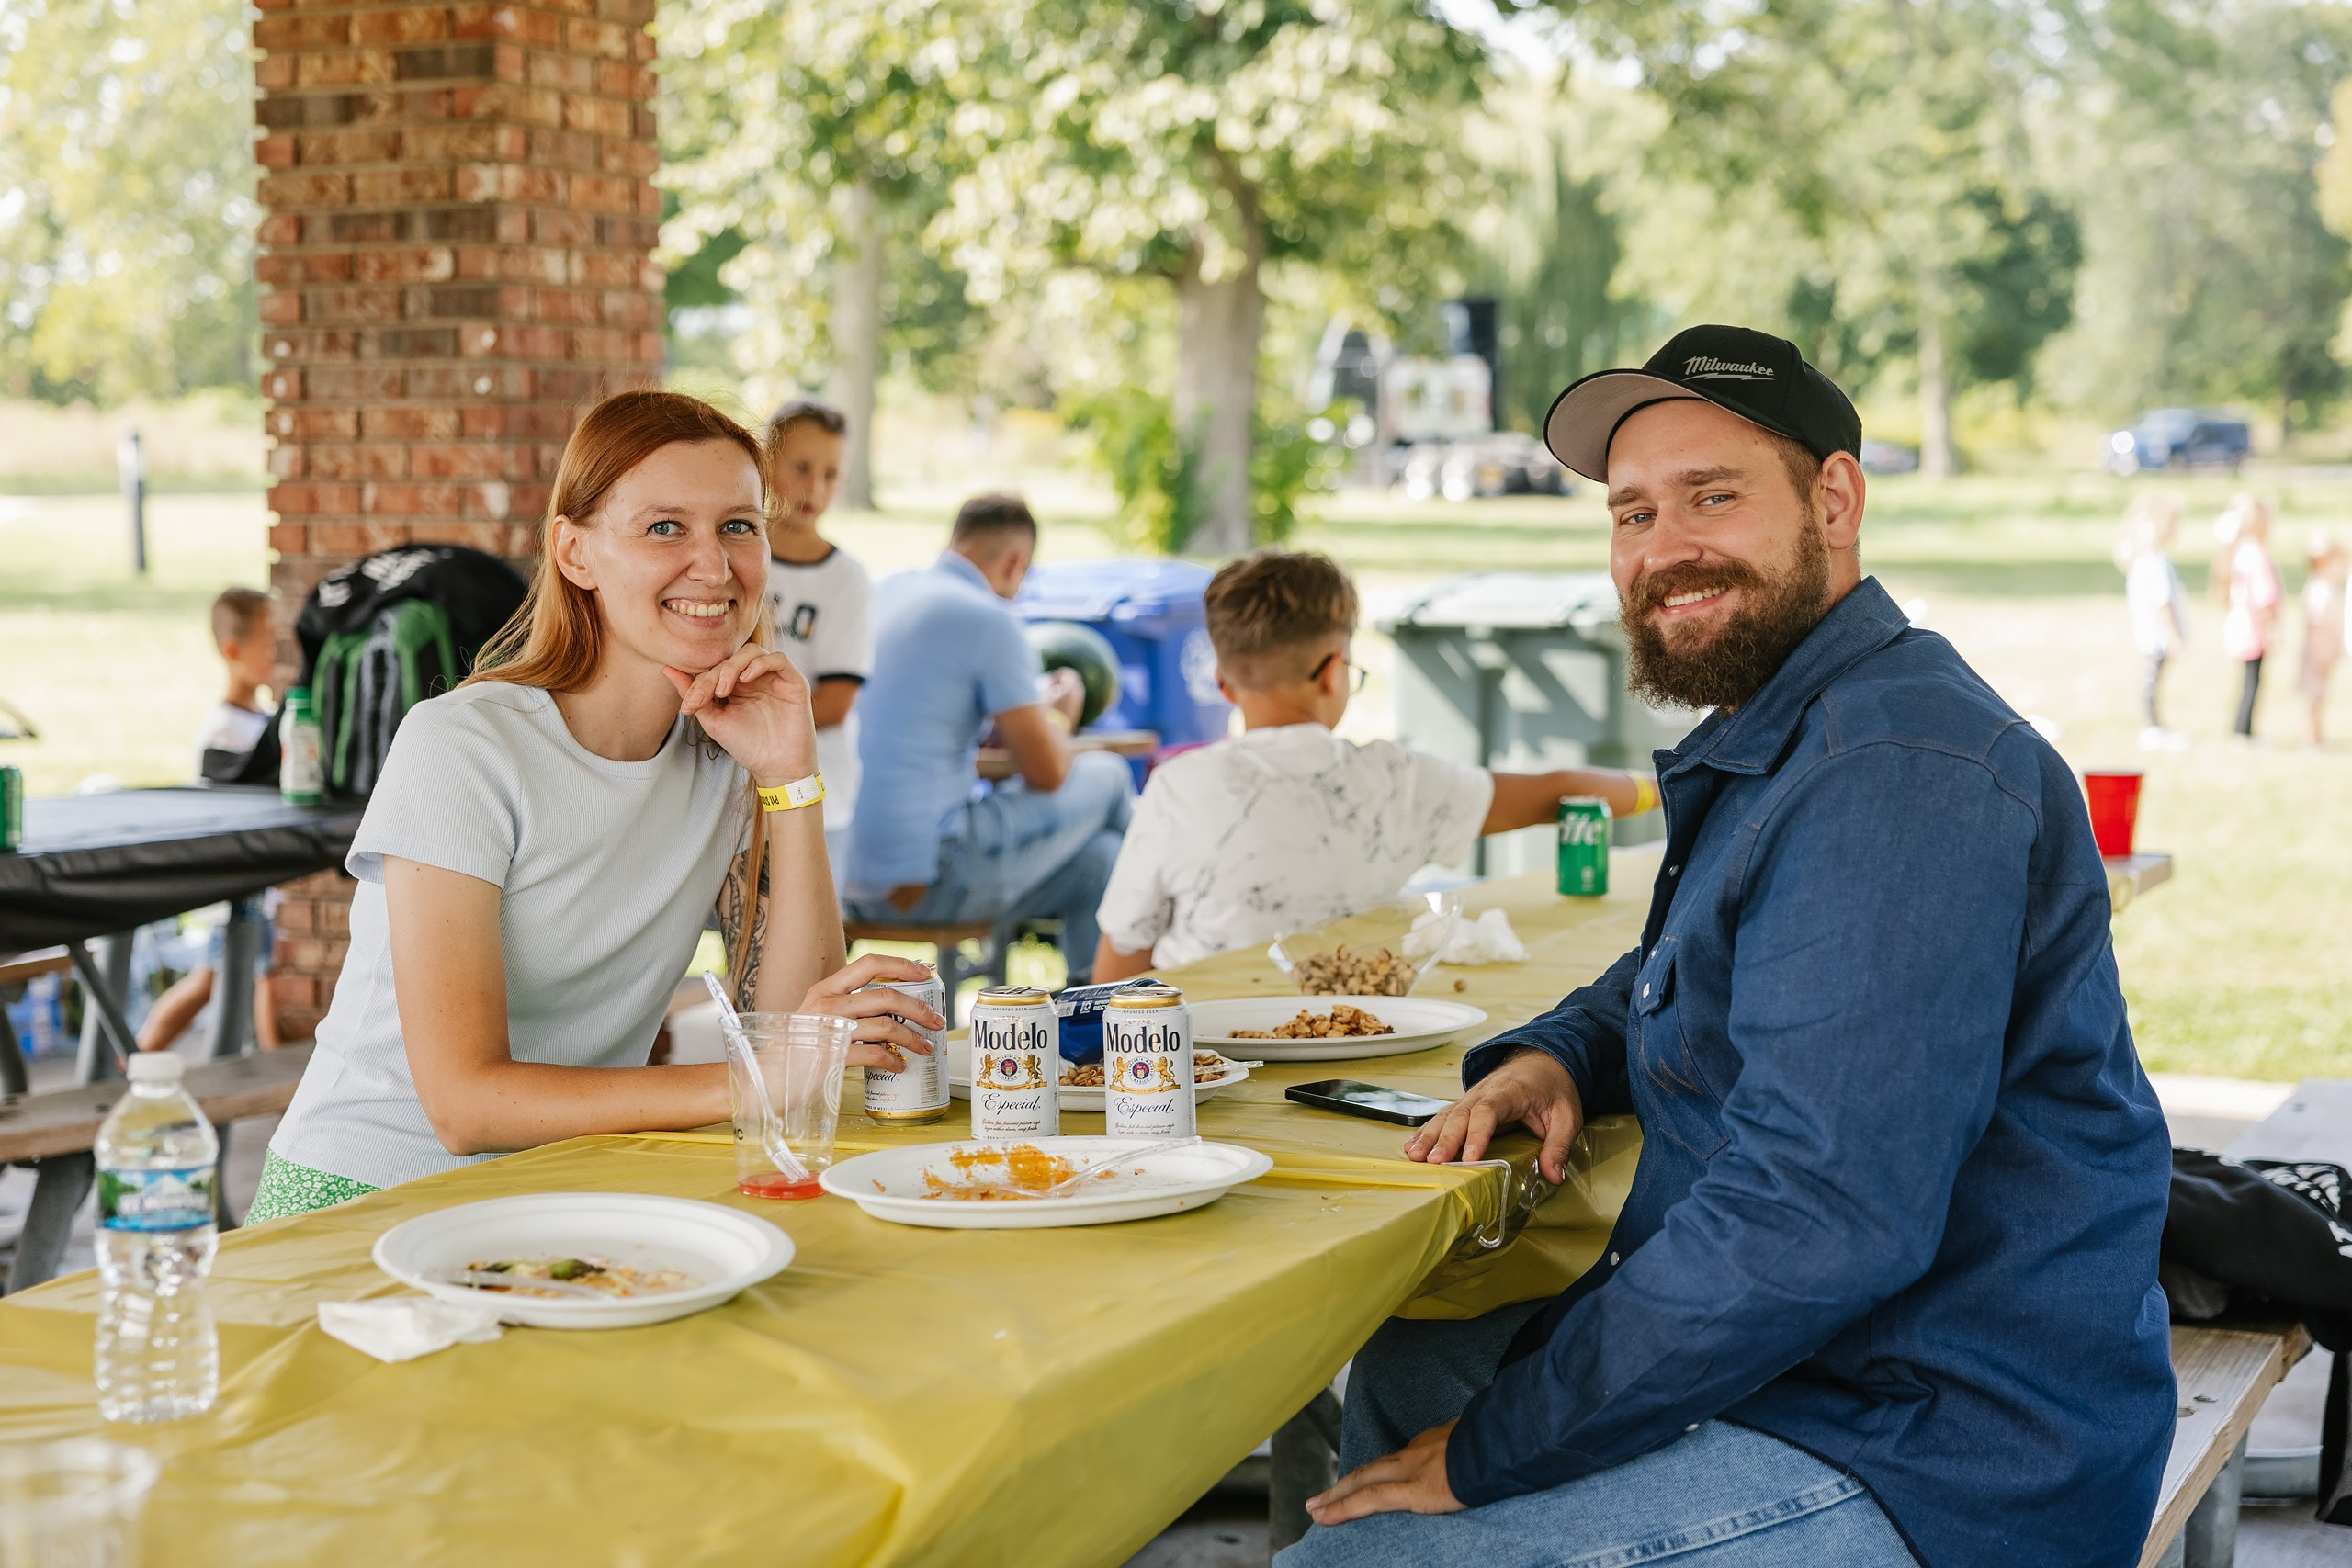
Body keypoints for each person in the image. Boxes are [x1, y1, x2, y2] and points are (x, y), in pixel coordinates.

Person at [1282, 325, 2173, 1568]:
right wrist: (1561, 1055)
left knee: (1348, 1558)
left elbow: (1813, 1214)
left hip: (1944, 1441)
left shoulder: (1894, 774)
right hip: (1832, 1360)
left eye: (1714, 496)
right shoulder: (1803, 721)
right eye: (1634, 512)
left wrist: (1497, 1449)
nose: (1664, 549)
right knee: (1419, 1360)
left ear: (1836, 497)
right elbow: (1701, 963)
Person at [248, 391, 941, 1224]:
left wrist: (791, 776)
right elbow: (463, 1105)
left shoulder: (724, 758)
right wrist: (755, 1080)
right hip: (361, 1202)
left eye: (738, 525)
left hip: (551, 1194)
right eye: (664, 528)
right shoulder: (462, 746)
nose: (715, 567)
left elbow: (794, 1034)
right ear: (573, 552)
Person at [1092, 550, 1657, 977]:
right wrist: (1664, 786)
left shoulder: (1178, 786)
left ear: (1223, 684)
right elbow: (1555, 792)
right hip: (1348, 1025)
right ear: (1333, 673)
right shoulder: (1397, 780)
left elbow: (1121, 958)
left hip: (1206, 1042)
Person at [843, 495, 1133, 985]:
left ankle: (1098, 1006)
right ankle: (1146, 988)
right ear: (1016, 563)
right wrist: (1059, 718)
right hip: (932, 879)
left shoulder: (885, 590)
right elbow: (1048, 772)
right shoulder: (989, 619)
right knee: (1108, 776)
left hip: (844, 876)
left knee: (1101, 861)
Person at [138, 588, 284, 1053]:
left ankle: (142, 1056)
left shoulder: (261, 718)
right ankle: (141, 1055)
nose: (275, 653)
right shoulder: (224, 731)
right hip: (234, 886)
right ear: (232, 651)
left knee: (243, 976)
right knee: (228, 979)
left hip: (256, 883)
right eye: (267, 643)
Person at [761, 400, 873, 890]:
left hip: (816, 792)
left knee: (809, 946)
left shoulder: (846, 581)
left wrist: (754, 726)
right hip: (730, 787)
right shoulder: (732, 556)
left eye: (831, 475)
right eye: (801, 467)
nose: (814, 488)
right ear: (766, 462)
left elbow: (836, 702)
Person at [2115, 493, 2188, 750]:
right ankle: (2153, 728)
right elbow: (2163, 602)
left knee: (2151, 678)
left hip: (2149, 633)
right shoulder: (2155, 562)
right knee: (2151, 680)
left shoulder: (2146, 559)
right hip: (2157, 635)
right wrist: (2173, 635)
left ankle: (2154, 725)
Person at [2217, 493, 2281, 739]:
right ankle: (2244, 731)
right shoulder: (2256, 554)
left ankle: (2242, 728)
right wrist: (2270, 629)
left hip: (2242, 624)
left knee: (2248, 679)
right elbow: (2263, 597)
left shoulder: (2239, 551)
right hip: (2254, 627)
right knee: (2252, 681)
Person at [2300, 531, 2347, 747]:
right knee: (2314, 697)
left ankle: (2317, 735)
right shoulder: (2320, 589)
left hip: (2326, 653)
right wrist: (2321, 654)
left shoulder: (2328, 587)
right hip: (2318, 654)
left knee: (2320, 696)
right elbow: (2316, 624)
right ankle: (2311, 737)